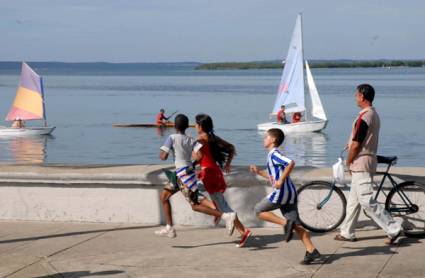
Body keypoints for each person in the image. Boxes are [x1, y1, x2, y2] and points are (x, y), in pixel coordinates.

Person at [334, 84, 402, 244]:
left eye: (356, 95)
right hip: (366, 160)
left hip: (361, 161)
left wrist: (349, 160)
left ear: (362, 96)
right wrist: (350, 145)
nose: (355, 97)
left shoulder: (364, 117)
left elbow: (357, 144)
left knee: (366, 200)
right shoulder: (373, 114)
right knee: (354, 200)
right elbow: (359, 139)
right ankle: (347, 232)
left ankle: (394, 229)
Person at [155, 114, 236, 238]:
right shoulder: (191, 140)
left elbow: (163, 157)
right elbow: (199, 156)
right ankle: (169, 227)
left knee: (195, 206)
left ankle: (225, 216)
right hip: (183, 173)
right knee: (164, 196)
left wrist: (167, 151)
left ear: (174, 126)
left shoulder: (171, 137)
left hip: (183, 175)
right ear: (187, 126)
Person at [250, 128, 321, 264]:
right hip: (290, 194)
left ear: (273, 140)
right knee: (297, 226)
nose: (264, 139)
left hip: (282, 193)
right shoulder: (272, 156)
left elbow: (290, 163)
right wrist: (259, 172)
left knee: (258, 210)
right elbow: (273, 177)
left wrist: (281, 180)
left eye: (266, 137)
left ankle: (286, 224)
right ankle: (312, 251)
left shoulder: (274, 154)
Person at [193, 114, 251, 248]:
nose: (195, 126)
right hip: (213, 173)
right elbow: (231, 148)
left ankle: (244, 231)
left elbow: (198, 157)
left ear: (200, 126)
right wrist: (227, 165)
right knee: (194, 191)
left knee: (225, 208)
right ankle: (216, 209)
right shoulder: (213, 137)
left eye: (196, 124)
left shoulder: (200, 140)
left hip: (209, 174)